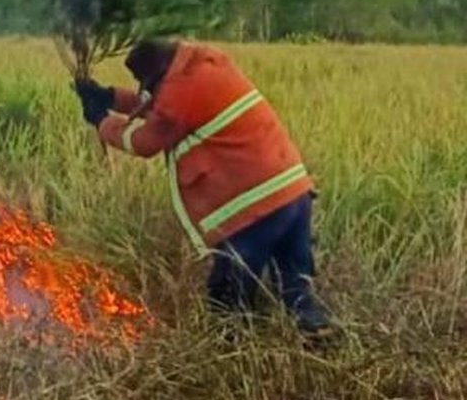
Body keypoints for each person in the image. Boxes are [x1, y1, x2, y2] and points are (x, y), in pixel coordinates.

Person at [74, 37, 334, 340]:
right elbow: (165, 107)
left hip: (255, 211)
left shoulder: (178, 92)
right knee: (297, 290)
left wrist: (102, 121)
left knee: (228, 302)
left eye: (145, 84)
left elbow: (145, 142)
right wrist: (111, 97)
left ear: (158, 76)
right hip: (293, 195)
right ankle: (315, 337)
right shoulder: (202, 68)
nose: (146, 91)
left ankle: (235, 364)